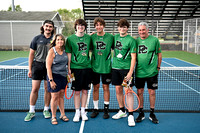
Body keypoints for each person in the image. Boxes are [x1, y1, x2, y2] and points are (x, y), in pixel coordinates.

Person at [24, 20, 55, 121]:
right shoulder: (36, 38)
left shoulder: (54, 39)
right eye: (47, 26)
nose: (48, 28)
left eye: (50, 27)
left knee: (47, 89)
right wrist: (30, 69)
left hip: (49, 67)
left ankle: (46, 109)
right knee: (34, 89)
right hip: (37, 66)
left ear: (52, 28)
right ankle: (31, 111)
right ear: (43, 27)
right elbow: (31, 54)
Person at [135, 22, 162, 124]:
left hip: (152, 72)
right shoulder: (136, 41)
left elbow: (159, 55)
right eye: (140, 30)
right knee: (140, 92)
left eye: (143, 30)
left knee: (152, 92)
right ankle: (141, 113)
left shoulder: (154, 40)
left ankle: (152, 113)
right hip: (139, 73)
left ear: (147, 30)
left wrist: (158, 67)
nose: (141, 32)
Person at [65, 19, 92, 122]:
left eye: (82, 25)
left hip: (87, 68)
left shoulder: (89, 38)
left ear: (85, 27)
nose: (80, 27)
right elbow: (69, 54)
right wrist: (69, 68)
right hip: (75, 68)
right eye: (78, 25)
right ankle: (77, 112)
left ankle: (83, 111)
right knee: (77, 92)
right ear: (75, 27)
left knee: (85, 91)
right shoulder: (70, 39)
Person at [111, 18, 137, 127]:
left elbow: (133, 57)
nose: (122, 29)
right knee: (118, 90)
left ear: (127, 28)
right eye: (121, 27)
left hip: (126, 70)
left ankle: (130, 114)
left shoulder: (131, 40)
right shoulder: (115, 37)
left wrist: (130, 72)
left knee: (128, 91)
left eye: (124, 27)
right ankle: (122, 111)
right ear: (118, 28)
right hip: (115, 68)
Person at [90, 17, 114, 119]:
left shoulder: (110, 37)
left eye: (100, 25)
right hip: (94, 67)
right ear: (95, 26)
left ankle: (106, 109)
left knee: (106, 87)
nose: (98, 27)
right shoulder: (91, 37)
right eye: (96, 25)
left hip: (106, 67)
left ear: (103, 26)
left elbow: (117, 48)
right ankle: (96, 108)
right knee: (95, 88)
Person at [46, 34, 69, 125]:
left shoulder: (64, 51)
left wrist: (68, 76)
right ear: (55, 41)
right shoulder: (52, 51)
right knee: (55, 97)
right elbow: (48, 67)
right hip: (54, 76)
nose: (60, 41)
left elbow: (66, 65)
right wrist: (51, 80)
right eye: (58, 39)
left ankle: (62, 114)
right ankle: (54, 116)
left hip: (63, 76)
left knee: (61, 96)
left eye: (62, 40)